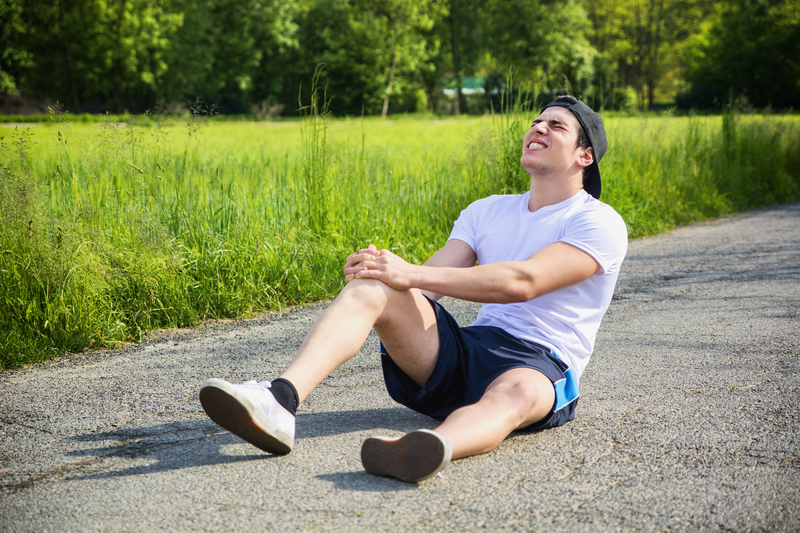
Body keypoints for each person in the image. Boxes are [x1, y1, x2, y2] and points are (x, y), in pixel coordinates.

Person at [199, 96, 628, 483]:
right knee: (375, 287)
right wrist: (381, 274)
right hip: (465, 351)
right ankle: (280, 400)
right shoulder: (487, 211)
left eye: (556, 126)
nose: (538, 128)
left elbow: (524, 282)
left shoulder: (598, 221)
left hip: (540, 362)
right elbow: (428, 287)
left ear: (584, 155)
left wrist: (409, 274)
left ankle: (432, 446)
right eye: (536, 121)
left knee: (516, 394)